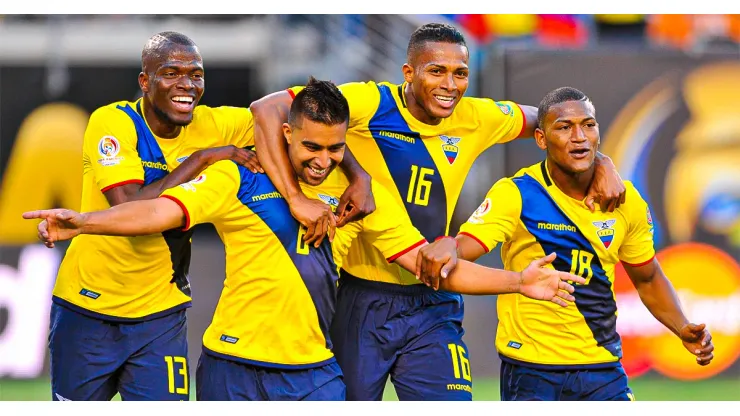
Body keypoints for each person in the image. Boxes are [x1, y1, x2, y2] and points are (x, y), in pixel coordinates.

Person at [24, 78, 586, 401]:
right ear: (286, 135)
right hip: (232, 364)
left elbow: (429, 265)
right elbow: (156, 214)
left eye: (336, 150)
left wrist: (520, 282)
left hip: (317, 372)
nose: (323, 161)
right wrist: (83, 221)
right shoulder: (235, 178)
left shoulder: (360, 199)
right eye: (311, 148)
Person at [248, 23, 627, 400]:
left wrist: (602, 161)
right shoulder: (369, 103)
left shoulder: (478, 116)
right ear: (408, 73)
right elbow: (267, 109)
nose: (450, 85)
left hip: (434, 298)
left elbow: (558, 122)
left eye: (460, 73)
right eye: (436, 71)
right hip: (361, 299)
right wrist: (303, 196)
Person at [416, 86, 715, 401]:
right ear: (542, 139)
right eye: (564, 127)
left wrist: (681, 326)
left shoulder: (626, 201)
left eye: (588, 125)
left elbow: (649, 278)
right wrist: (448, 246)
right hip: (531, 368)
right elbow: (465, 248)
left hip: (602, 367)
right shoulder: (516, 194)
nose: (579, 136)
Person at [42, 31, 270, 401]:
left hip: (160, 315)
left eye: (196, 75)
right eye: (172, 73)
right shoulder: (113, 122)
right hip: (88, 307)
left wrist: (353, 178)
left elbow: (286, 116)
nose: (187, 85)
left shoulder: (214, 124)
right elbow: (129, 207)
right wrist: (203, 159)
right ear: (145, 82)